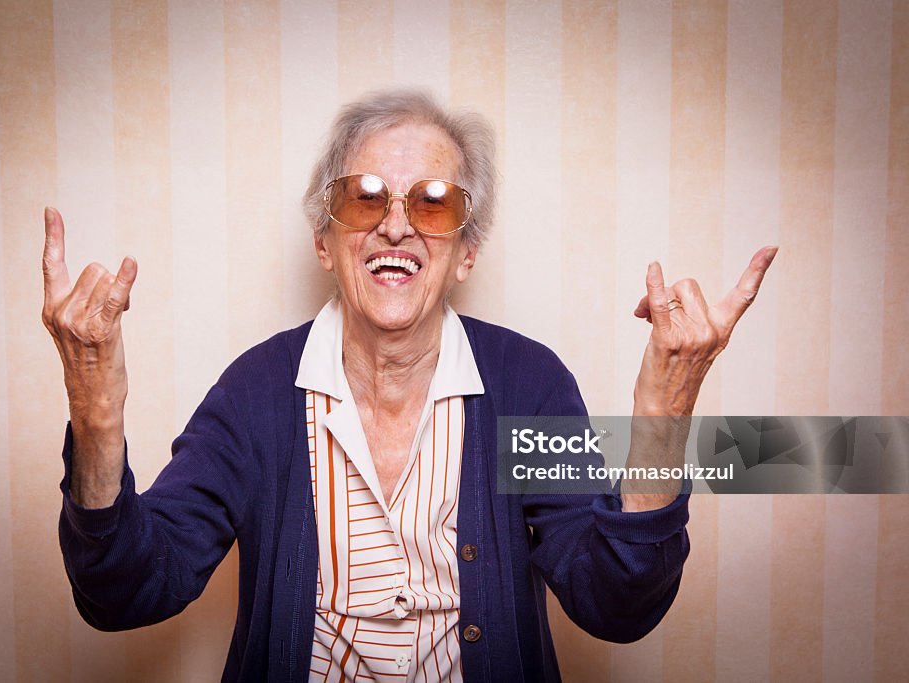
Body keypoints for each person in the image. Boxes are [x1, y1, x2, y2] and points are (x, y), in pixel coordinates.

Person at [44, 89, 776, 682]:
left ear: (466, 252)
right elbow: (125, 589)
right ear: (325, 242)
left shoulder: (528, 385)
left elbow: (616, 604)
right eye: (364, 198)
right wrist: (97, 415)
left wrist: (663, 414)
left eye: (432, 203)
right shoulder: (255, 392)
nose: (396, 225)